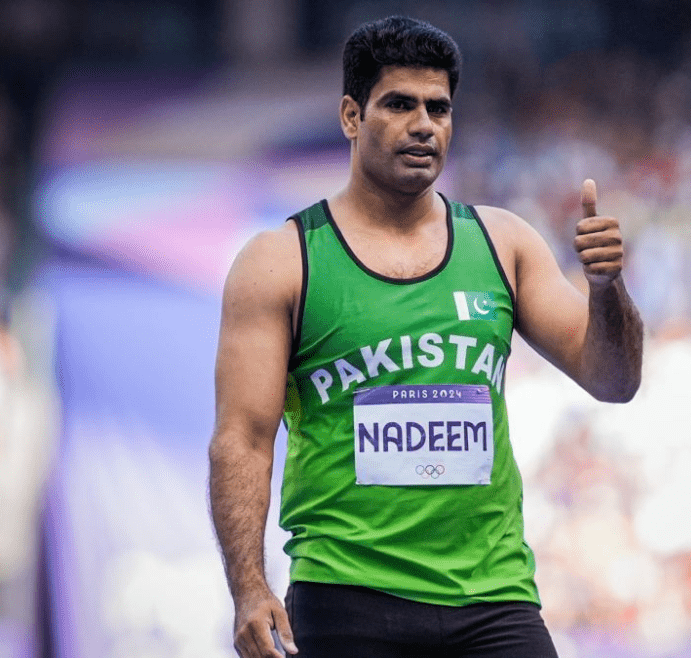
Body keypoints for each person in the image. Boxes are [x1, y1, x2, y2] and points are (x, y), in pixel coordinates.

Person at [208, 15, 643, 658]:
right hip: (345, 598)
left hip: (494, 599)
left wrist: (607, 292)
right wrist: (248, 588)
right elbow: (242, 439)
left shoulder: (503, 243)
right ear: (352, 117)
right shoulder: (282, 261)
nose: (423, 125)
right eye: (399, 105)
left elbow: (615, 381)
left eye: (439, 108)